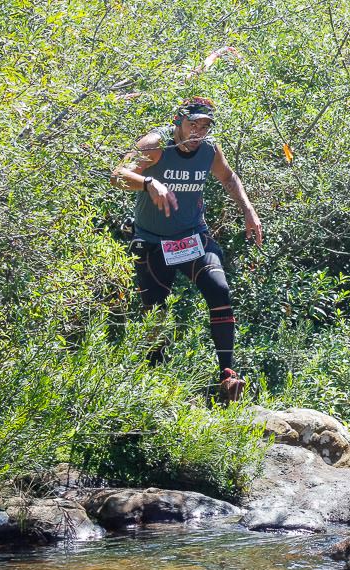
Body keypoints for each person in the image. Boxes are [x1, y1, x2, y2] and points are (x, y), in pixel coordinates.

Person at [110, 96, 262, 402]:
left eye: (205, 126)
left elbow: (228, 177)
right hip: (153, 241)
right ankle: (155, 388)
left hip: (192, 237)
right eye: (193, 124)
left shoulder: (208, 150)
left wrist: (248, 209)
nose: (198, 133)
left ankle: (228, 376)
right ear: (178, 121)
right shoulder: (155, 144)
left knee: (219, 290)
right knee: (156, 316)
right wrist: (149, 183)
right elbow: (117, 175)